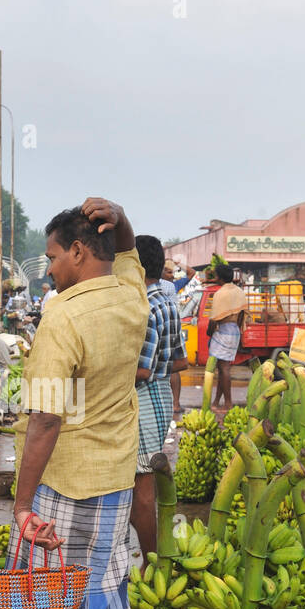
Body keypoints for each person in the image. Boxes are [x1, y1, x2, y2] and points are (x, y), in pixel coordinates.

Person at [9, 197, 148, 609]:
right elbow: (133, 254)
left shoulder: (64, 316)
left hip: (70, 484)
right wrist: (123, 215)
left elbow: (45, 420)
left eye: (53, 257)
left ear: (80, 251)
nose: (49, 271)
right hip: (115, 477)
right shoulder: (130, 295)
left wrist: (20, 501)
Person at [131, 235, 188, 558]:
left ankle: (151, 560)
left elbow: (141, 371)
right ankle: (152, 555)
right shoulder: (167, 301)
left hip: (145, 401)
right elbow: (181, 361)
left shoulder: (147, 307)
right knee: (141, 484)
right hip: (161, 396)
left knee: (142, 490)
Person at [206, 265, 246, 409]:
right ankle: (217, 401)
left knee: (224, 369)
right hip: (235, 329)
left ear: (220, 277)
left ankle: (228, 402)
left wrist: (210, 333)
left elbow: (213, 318)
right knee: (222, 368)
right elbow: (242, 314)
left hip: (223, 330)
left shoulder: (220, 293)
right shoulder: (239, 292)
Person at [160, 259, 183, 415]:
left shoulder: (139, 282)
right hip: (170, 328)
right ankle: (175, 403)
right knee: (172, 366)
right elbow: (175, 309)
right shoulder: (169, 286)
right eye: (169, 271)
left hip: (154, 327)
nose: (172, 275)